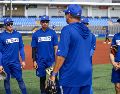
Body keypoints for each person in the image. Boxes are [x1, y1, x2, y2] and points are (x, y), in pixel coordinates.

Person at [49, 4, 94, 94]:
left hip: (71, 75)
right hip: (86, 73)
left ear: (69, 15)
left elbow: (61, 55)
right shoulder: (88, 32)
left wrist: (53, 74)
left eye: (66, 14)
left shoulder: (67, 30)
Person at [31, 15, 58, 94]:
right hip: (40, 61)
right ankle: (43, 92)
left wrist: (56, 60)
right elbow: (34, 48)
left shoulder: (52, 33)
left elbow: (56, 47)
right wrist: (34, 61)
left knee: (54, 79)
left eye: (46, 22)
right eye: (43, 22)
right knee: (42, 79)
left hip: (51, 61)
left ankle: (55, 92)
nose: (45, 23)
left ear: (48, 23)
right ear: (40, 23)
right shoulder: (36, 34)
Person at [0, 18, 27, 94]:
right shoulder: (1, 36)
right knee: (6, 80)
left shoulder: (18, 35)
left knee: (20, 79)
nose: (10, 25)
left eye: (11, 23)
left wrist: (23, 60)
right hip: (5, 62)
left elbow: (21, 48)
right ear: (5, 25)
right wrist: (0, 64)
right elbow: (0, 52)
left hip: (16, 62)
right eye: (8, 24)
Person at [81, 17, 96, 94]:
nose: (84, 25)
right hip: (76, 65)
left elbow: (92, 50)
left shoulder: (91, 36)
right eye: (83, 24)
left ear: (87, 25)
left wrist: (83, 58)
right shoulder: (76, 35)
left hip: (87, 64)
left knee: (88, 83)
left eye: (85, 24)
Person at [110, 18, 120, 94]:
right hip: (117, 65)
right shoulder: (116, 37)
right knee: (117, 86)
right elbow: (112, 52)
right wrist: (113, 62)